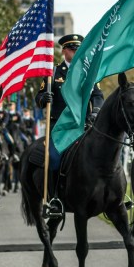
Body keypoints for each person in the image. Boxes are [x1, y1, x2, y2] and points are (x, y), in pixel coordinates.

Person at [35, 33, 104, 173]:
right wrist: (44, 98)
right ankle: (54, 194)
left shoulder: (88, 72)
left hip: (83, 125)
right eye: (72, 49)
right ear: (63, 50)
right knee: (53, 160)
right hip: (59, 127)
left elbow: (98, 96)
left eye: (78, 49)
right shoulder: (53, 72)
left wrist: (96, 111)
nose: (75, 51)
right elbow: (39, 97)